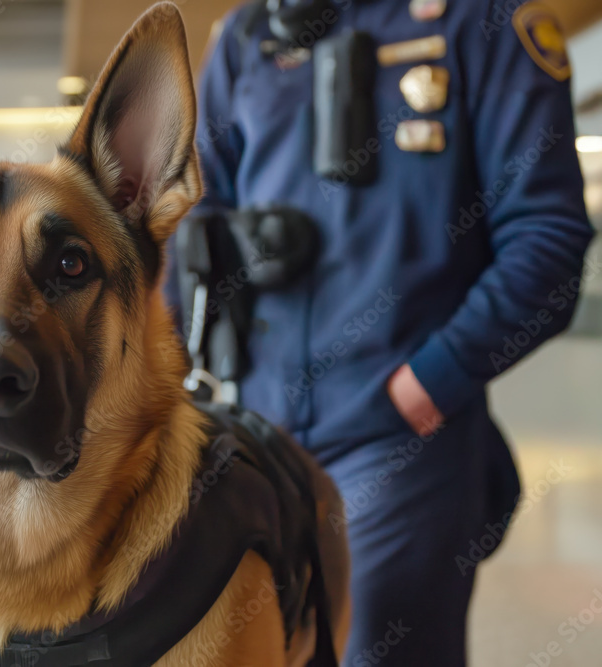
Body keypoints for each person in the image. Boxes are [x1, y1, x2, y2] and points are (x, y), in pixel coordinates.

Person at [177, 1, 596, 665]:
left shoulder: (484, 24)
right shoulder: (249, 34)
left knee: (384, 649)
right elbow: (190, 216)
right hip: (258, 430)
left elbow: (548, 240)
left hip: (399, 434)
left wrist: (430, 380)